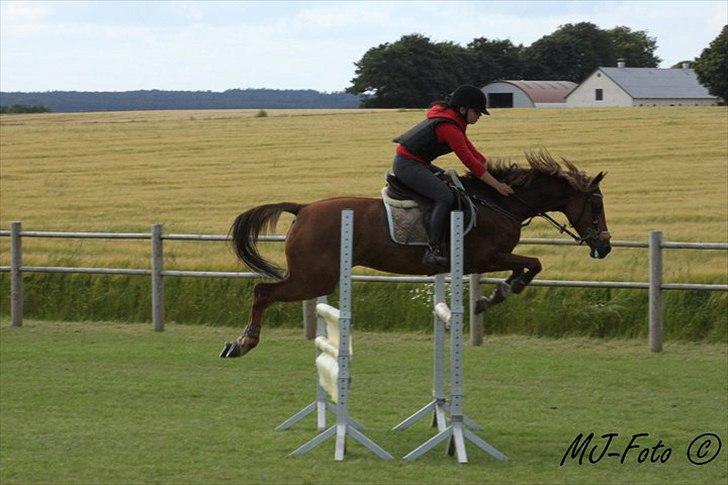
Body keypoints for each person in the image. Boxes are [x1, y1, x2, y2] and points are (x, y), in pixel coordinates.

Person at [392, 84, 514, 269]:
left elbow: (475, 155)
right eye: (477, 112)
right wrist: (497, 185)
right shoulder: (448, 127)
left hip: (416, 163)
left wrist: (491, 169)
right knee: (444, 196)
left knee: (454, 187)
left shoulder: (454, 122)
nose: (479, 116)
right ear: (463, 108)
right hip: (407, 165)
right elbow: (470, 163)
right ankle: (432, 251)